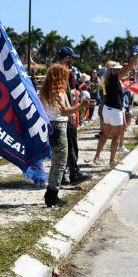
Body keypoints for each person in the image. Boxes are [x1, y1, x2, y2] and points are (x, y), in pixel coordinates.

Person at [40, 64, 92, 208]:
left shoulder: (45, 91)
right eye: (65, 76)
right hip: (59, 126)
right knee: (60, 162)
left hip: (50, 126)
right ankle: (52, 195)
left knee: (56, 162)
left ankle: (50, 192)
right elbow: (64, 112)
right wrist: (81, 106)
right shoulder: (58, 92)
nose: (67, 78)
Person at [55, 47, 91, 186]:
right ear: (67, 58)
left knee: (66, 147)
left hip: (66, 113)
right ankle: (74, 173)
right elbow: (60, 94)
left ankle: (64, 175)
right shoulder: (60, 72)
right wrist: (69, 111)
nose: (72, 61)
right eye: (71, 58)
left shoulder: (61, 72)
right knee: (70, 146)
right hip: (65, 115)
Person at [93, 58, 133, 166]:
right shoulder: (114, 78)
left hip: (107, 109)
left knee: (104, 135)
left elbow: (123, 79)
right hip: (115, 111)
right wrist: (136, 58)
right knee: (116, 137)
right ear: (113, 70)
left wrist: (129, 76)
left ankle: (96, 156)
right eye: (118, 69)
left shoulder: (107, 78)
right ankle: (112, 160)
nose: (120, 70)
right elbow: (127, 69)